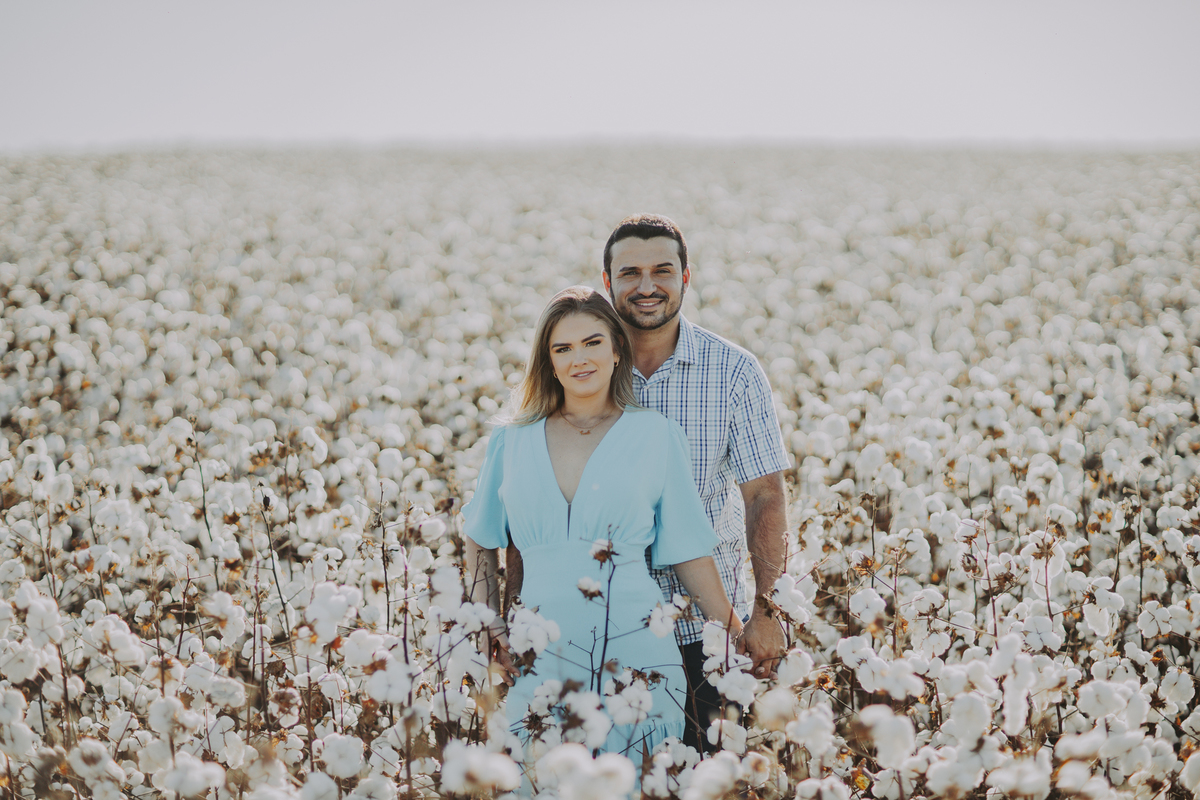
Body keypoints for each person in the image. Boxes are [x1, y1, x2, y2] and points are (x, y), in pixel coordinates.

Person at [511, 215, 791, 751]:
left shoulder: (733, 372)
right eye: (630, 273)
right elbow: (525, 515)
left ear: (686, 276)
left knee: (710, 775)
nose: (646, 286)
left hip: (707, 628)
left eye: (662, 270)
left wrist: (766, 610)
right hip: (594, 632)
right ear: (607, 279)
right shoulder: (577, 368)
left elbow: (765, 496)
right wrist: (513, 618)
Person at [462, 285, 742, 759]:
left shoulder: (657, 435)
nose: (580, 359)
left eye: (592, 342)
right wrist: (488, 622)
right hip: (539, 658)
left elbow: (690, 554)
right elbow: (479, 539)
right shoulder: (510, 442)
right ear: (548, 362)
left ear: (617, 351)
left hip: (639, 662)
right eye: (563, 348)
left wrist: (739, 638)